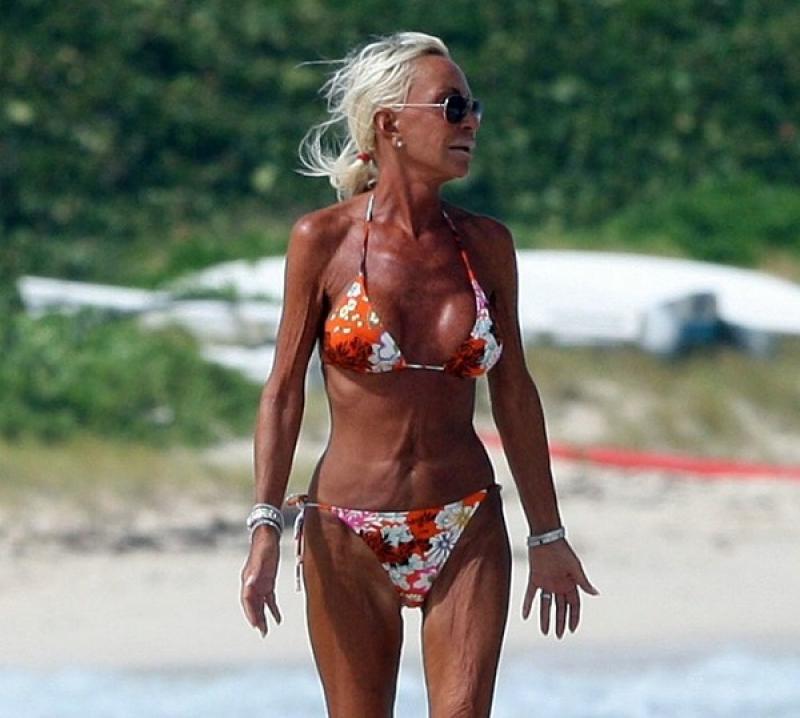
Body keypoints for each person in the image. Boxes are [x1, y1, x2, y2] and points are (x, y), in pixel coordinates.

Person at [240, 31, 597, 717]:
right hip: (345, 530)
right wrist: (264, 526)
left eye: (474, 108)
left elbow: (514, 391)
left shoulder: (485, 245)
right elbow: (282, 391)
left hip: (465, 522)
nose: (471, 124)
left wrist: (548, 535)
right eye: (452, 107)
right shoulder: (322, 241)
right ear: (390, 124)